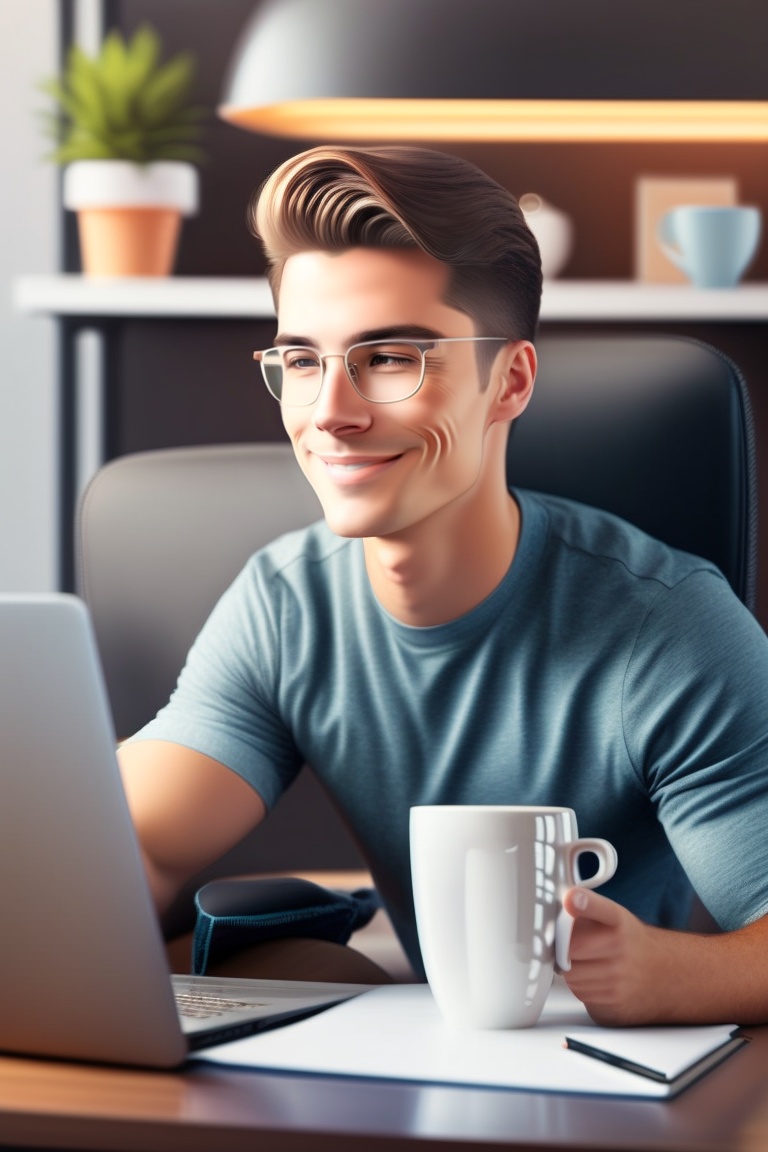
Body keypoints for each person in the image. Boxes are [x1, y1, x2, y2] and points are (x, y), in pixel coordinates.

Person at [118, 144, 768, 1027]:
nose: (330, 414)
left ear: (511, 382)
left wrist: (675, 975)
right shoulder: (284, 603)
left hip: (618, 1066)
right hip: (427, 1048)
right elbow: (126, 850)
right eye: (302, 361)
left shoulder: (671, 625)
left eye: (390, 358)